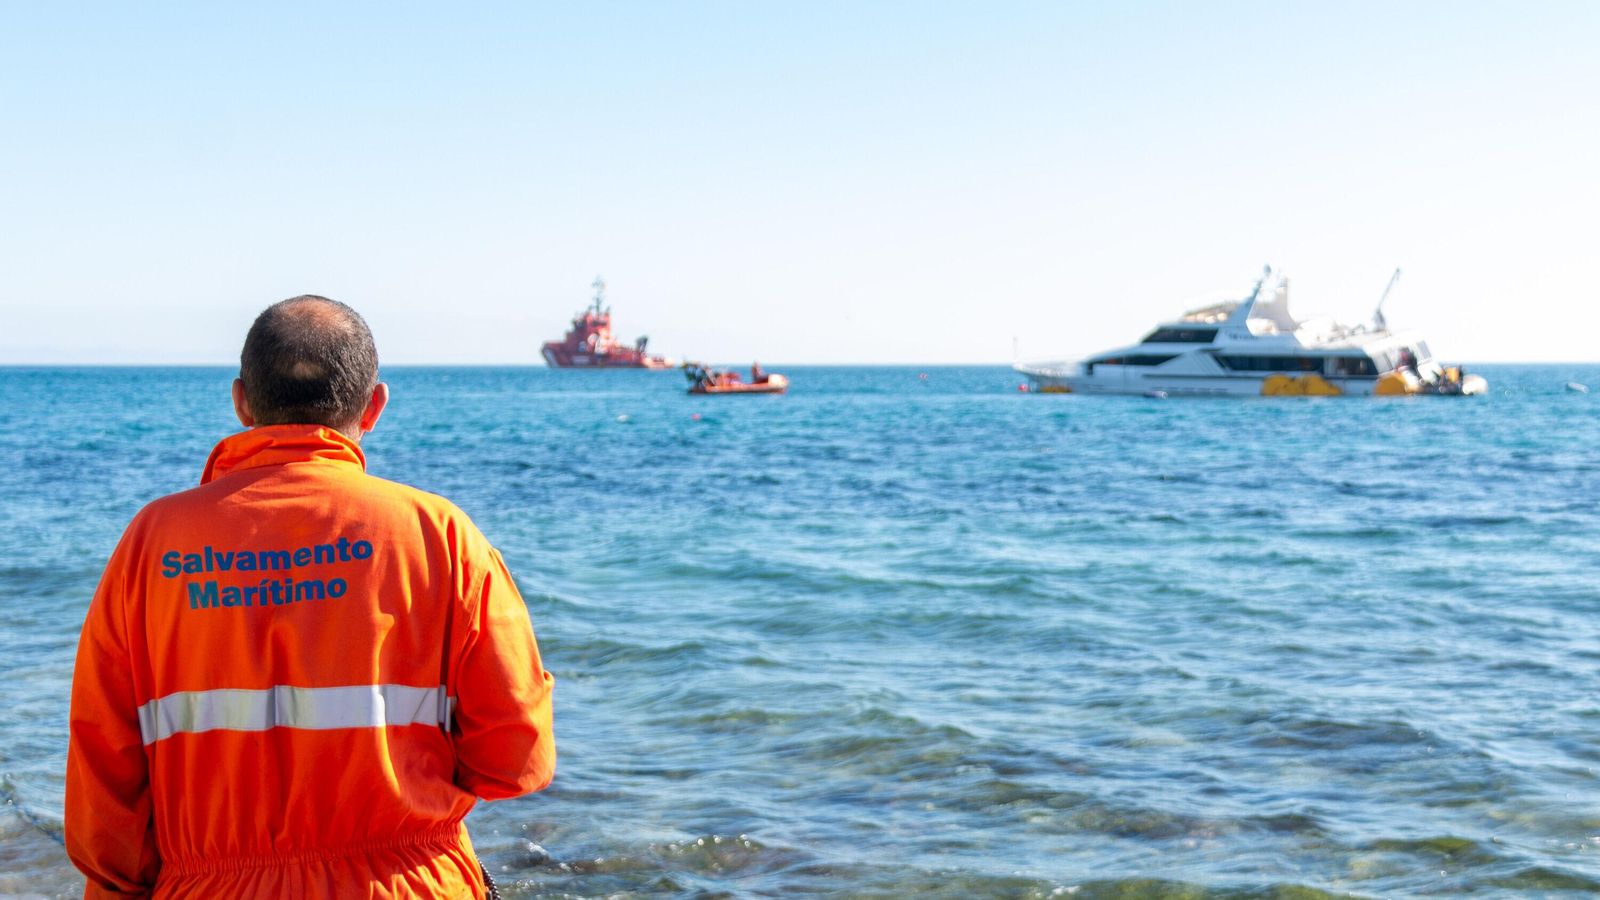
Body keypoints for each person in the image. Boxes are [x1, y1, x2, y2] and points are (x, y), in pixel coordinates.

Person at [65, 296, 555, 899]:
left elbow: (103, 760)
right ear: (373, 406)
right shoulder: (438, 533)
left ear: (242, 401)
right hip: (407, 883)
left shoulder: (152, 541)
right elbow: (515, 755)